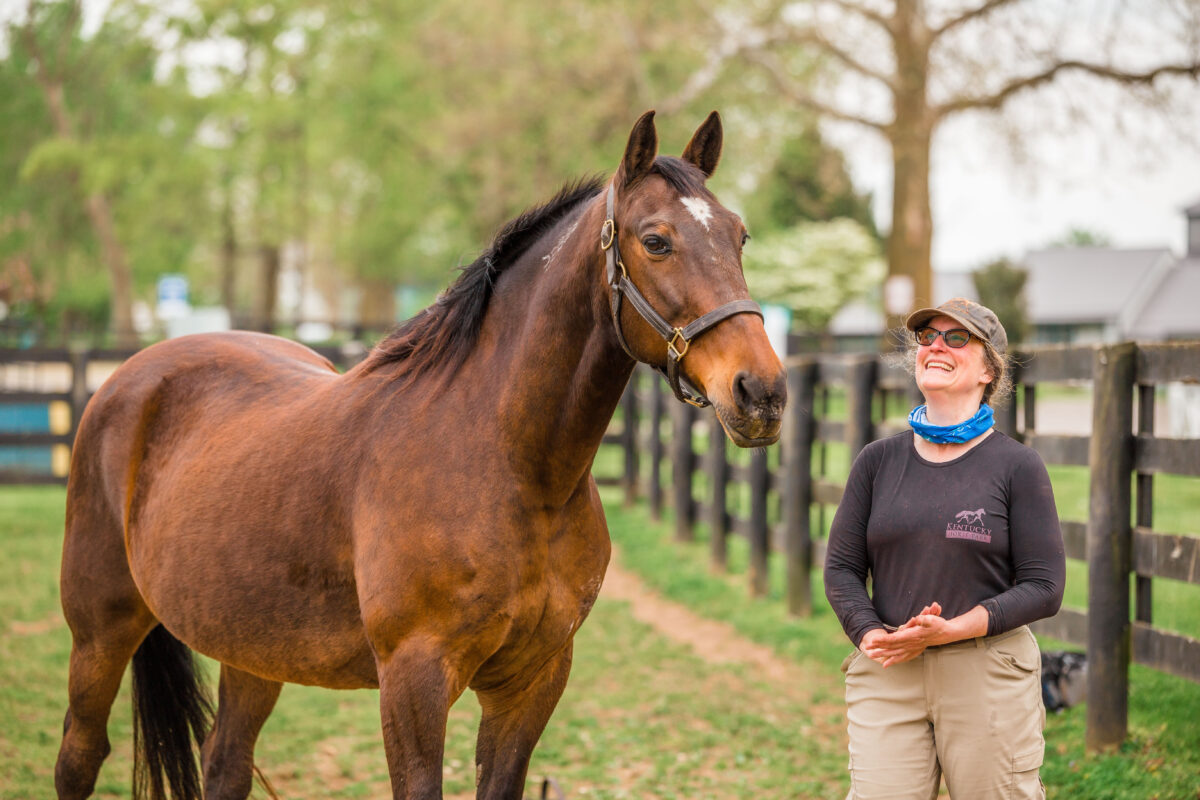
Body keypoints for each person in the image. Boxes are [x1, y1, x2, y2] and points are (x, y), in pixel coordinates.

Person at [824, 297, 1066, 800]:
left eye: (956, 338)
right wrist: (869, 634)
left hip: (986, 672)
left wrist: (953, 628)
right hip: (890, 668)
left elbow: (1044, 587)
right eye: (927, 336)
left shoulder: (1018, 467)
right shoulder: (877, 461)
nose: (936, 345)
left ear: (987, 370)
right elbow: (842, 568)